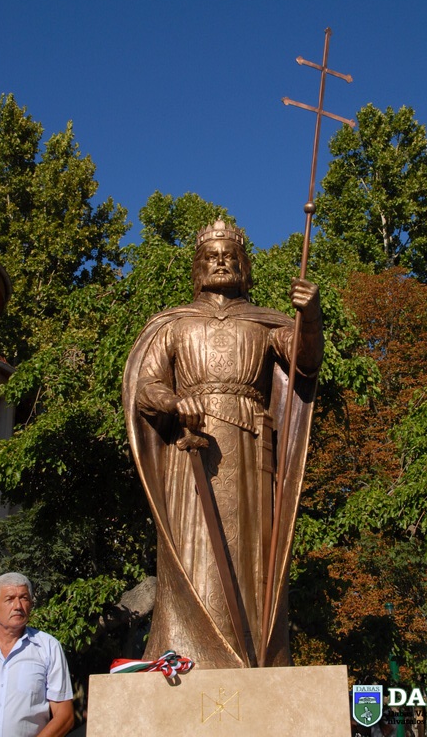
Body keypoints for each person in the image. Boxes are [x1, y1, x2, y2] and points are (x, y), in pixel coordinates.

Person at [123, 220, 323, 668]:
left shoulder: (264, 323)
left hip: (251, 451)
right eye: (211, 257)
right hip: (189, 454)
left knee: (252, 560)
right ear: (198, 267)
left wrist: (310, 316)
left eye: (229, 256)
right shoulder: (174, 323)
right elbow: (145, 387)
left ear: (243, 266)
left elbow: (306, 361)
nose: (220, 262)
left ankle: (254, 653)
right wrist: (175, 402)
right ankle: (189, 651)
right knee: (193, 553)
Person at [0, 572, 74, 737]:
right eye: (9, 599)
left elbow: (64, 716)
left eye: (24, 598)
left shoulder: (48, 647)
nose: (18, 606)